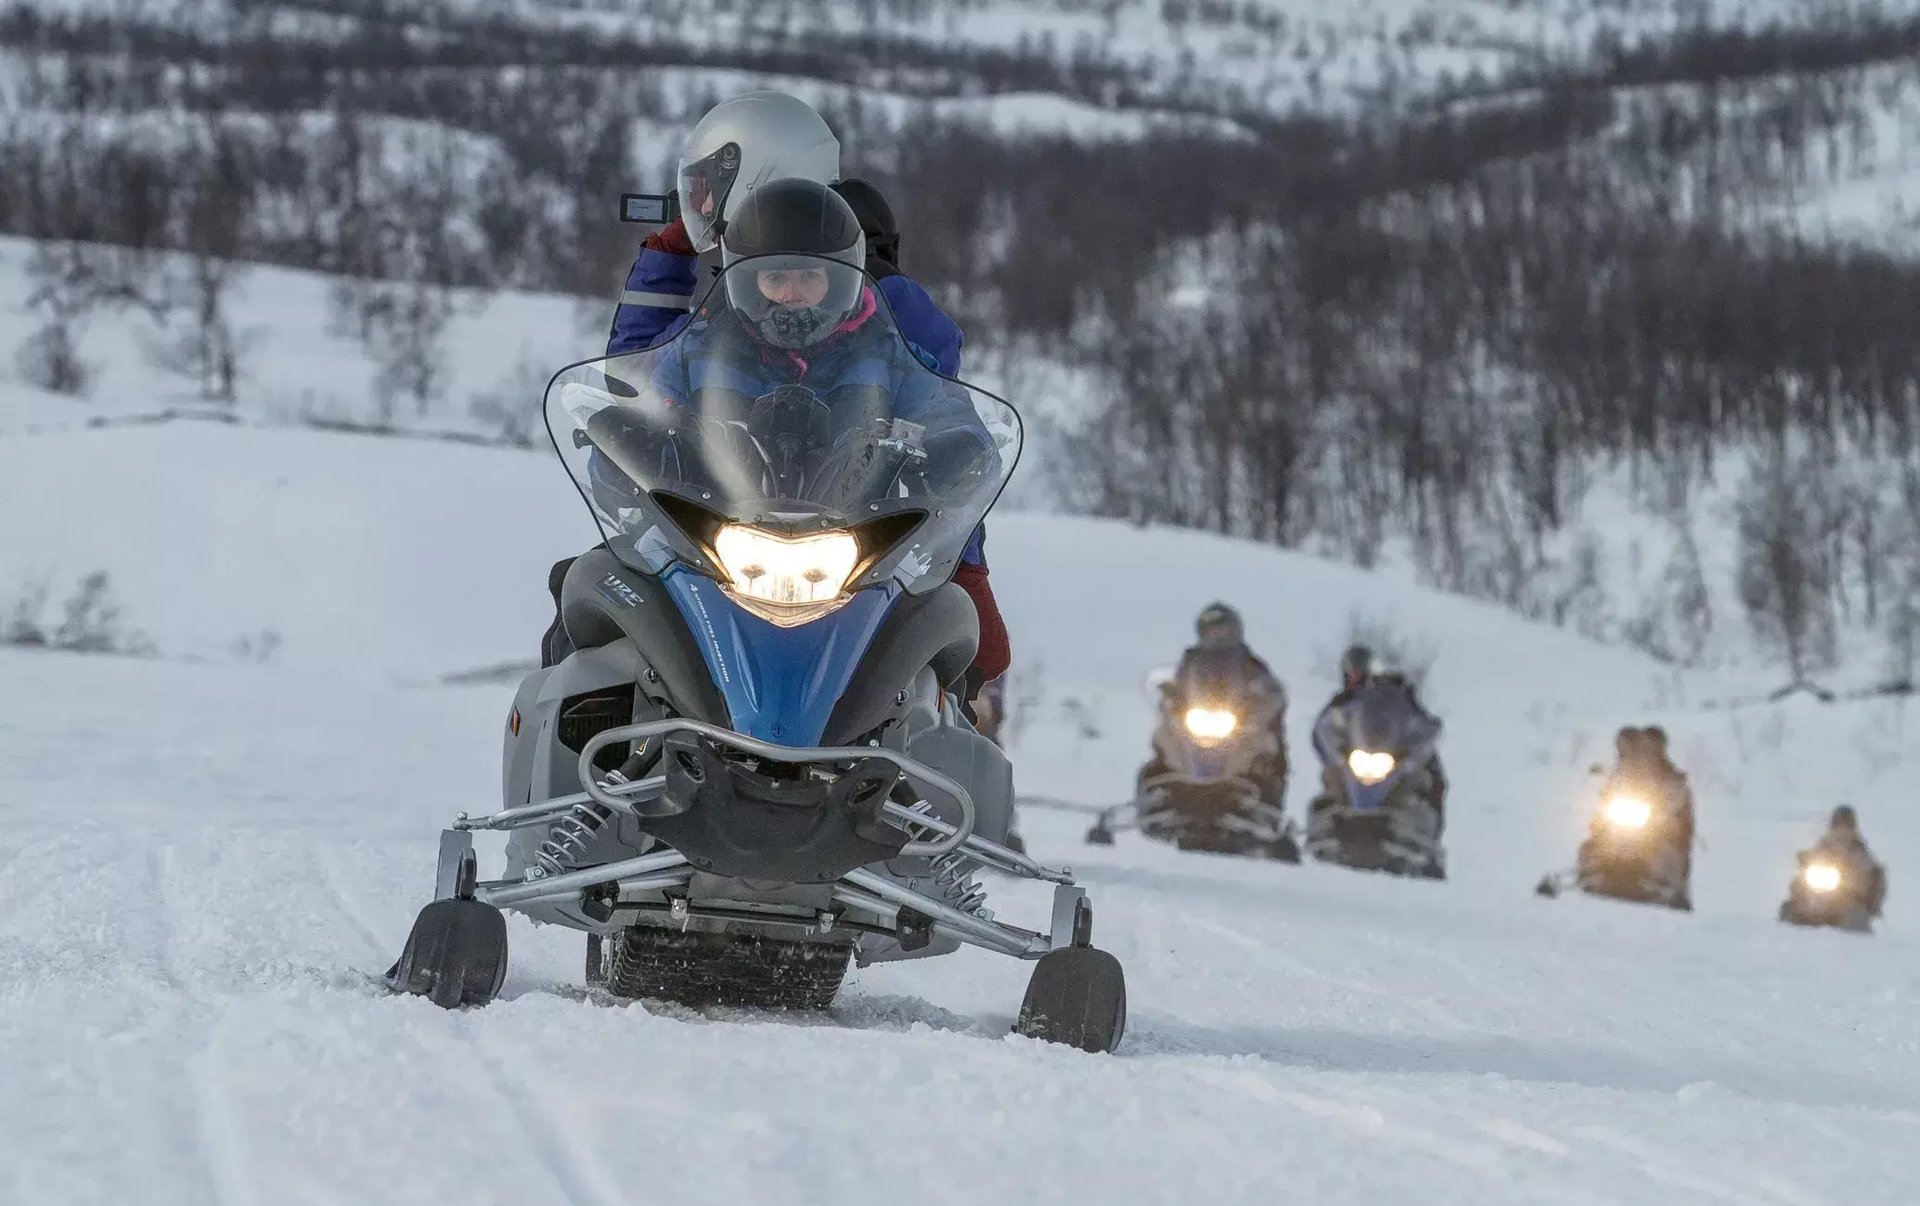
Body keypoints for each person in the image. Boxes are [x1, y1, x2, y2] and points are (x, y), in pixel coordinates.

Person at [552, 91, 1005, 697]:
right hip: (711, 539)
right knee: (590, 592)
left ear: (843, 275)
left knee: (943, 657)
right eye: (774, 276)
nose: (791, 293)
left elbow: (941, 400)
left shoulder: (885, 336)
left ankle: (943, 764)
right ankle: (577, 765)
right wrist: (631, 441)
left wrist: (955, 462)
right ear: (746, 276)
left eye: (809, 276)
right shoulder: (707, 340)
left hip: (856, 548)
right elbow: (637, 380)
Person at [1136, 603, 1289, 811]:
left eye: (1222, 629)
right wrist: (1170, 695)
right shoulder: (1191, 661)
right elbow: (1177, 685)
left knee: (1263, 745)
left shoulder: (1250, 665)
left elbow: (1271, 693)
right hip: (1194, 720)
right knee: (1165, 736)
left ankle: (1263, 805)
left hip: (1237, 724)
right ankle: (1157, 795)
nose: (1217, 635)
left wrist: (1260, 703)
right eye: (1211, 630)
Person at [1310, 644, 1447, 829]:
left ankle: (1422, 830)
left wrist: (1410, 748)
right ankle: (1326, 826)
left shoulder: (1401, 700)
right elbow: (1324, 728)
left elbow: (1421, 725)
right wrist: (1338, 749)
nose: (1355, 678)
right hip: (1354, 759)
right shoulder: (1344, 703)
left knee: (1425, 779)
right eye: (1352, 674)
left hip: (1393, 758)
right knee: (1332, 780)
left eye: (1360, 673)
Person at [1810, 804, 1887, 917]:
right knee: (1795, 900)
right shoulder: (1824, 844)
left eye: (1845, 824)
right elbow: (1814, 858)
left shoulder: (1858, 849)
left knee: (1854, 914)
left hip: (1850, 897)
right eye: (1838, 823)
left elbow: (1869, 868)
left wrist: (1857, 880)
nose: (1841, 828)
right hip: (1820, 892)